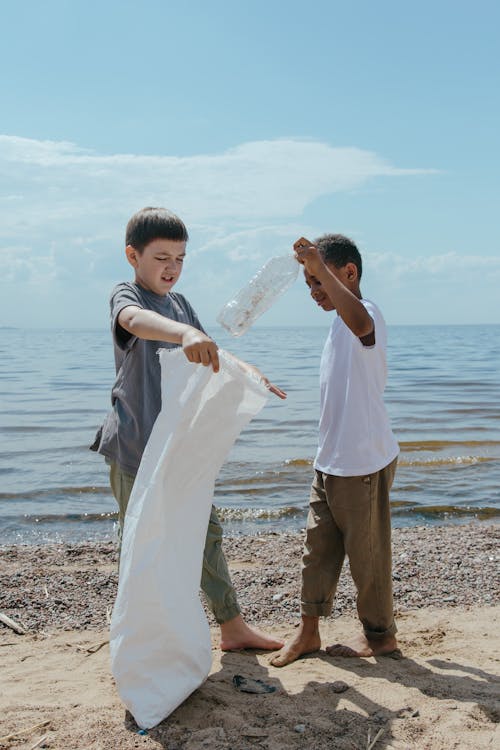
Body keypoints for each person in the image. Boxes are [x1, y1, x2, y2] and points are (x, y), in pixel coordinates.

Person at [92, 206, 285, 652]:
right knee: (144, 544)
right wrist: (183, 335)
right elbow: (134, 321)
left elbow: (207, 354)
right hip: (135, 446)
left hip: (178, 444)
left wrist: (249, 373)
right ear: (132, 256)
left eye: (180, 258)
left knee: (205, 531)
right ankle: (143, 638)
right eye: (161, 258)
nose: (172, 268)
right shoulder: (128, 295)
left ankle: (232, 627)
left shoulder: (180, 304)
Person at [271, 234, 399, 666]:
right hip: (330, 460)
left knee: (368, 560)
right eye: (308, 283)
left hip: (363, 460)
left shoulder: (368, 316)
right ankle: (308, 633)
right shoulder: (335, 323)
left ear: (349, 273)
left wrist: (319, 265)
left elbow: (360, 322)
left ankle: (380, 639)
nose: (314, 291)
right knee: (316, 552)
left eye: (321, 280)